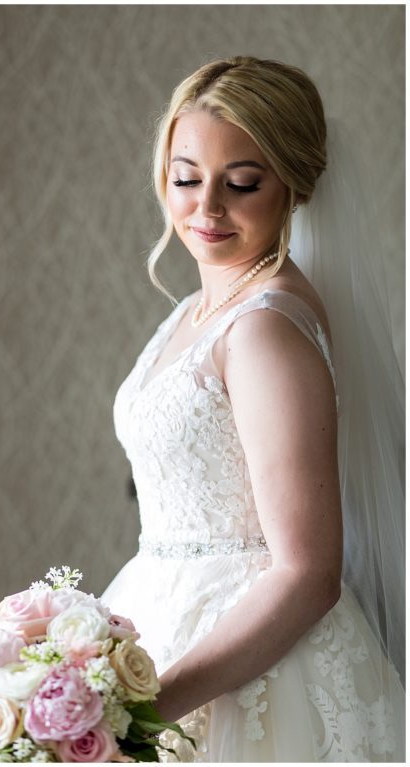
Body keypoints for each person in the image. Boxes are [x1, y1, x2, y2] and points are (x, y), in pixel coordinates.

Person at [101, 57, 404, 761]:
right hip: (163, 607)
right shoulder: (197, 310)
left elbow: (307, 573)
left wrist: (150, 708)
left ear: (293, 185)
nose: (206, 208)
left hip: (256, 669)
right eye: (186, 178)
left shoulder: (264, 327)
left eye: (241, 183)